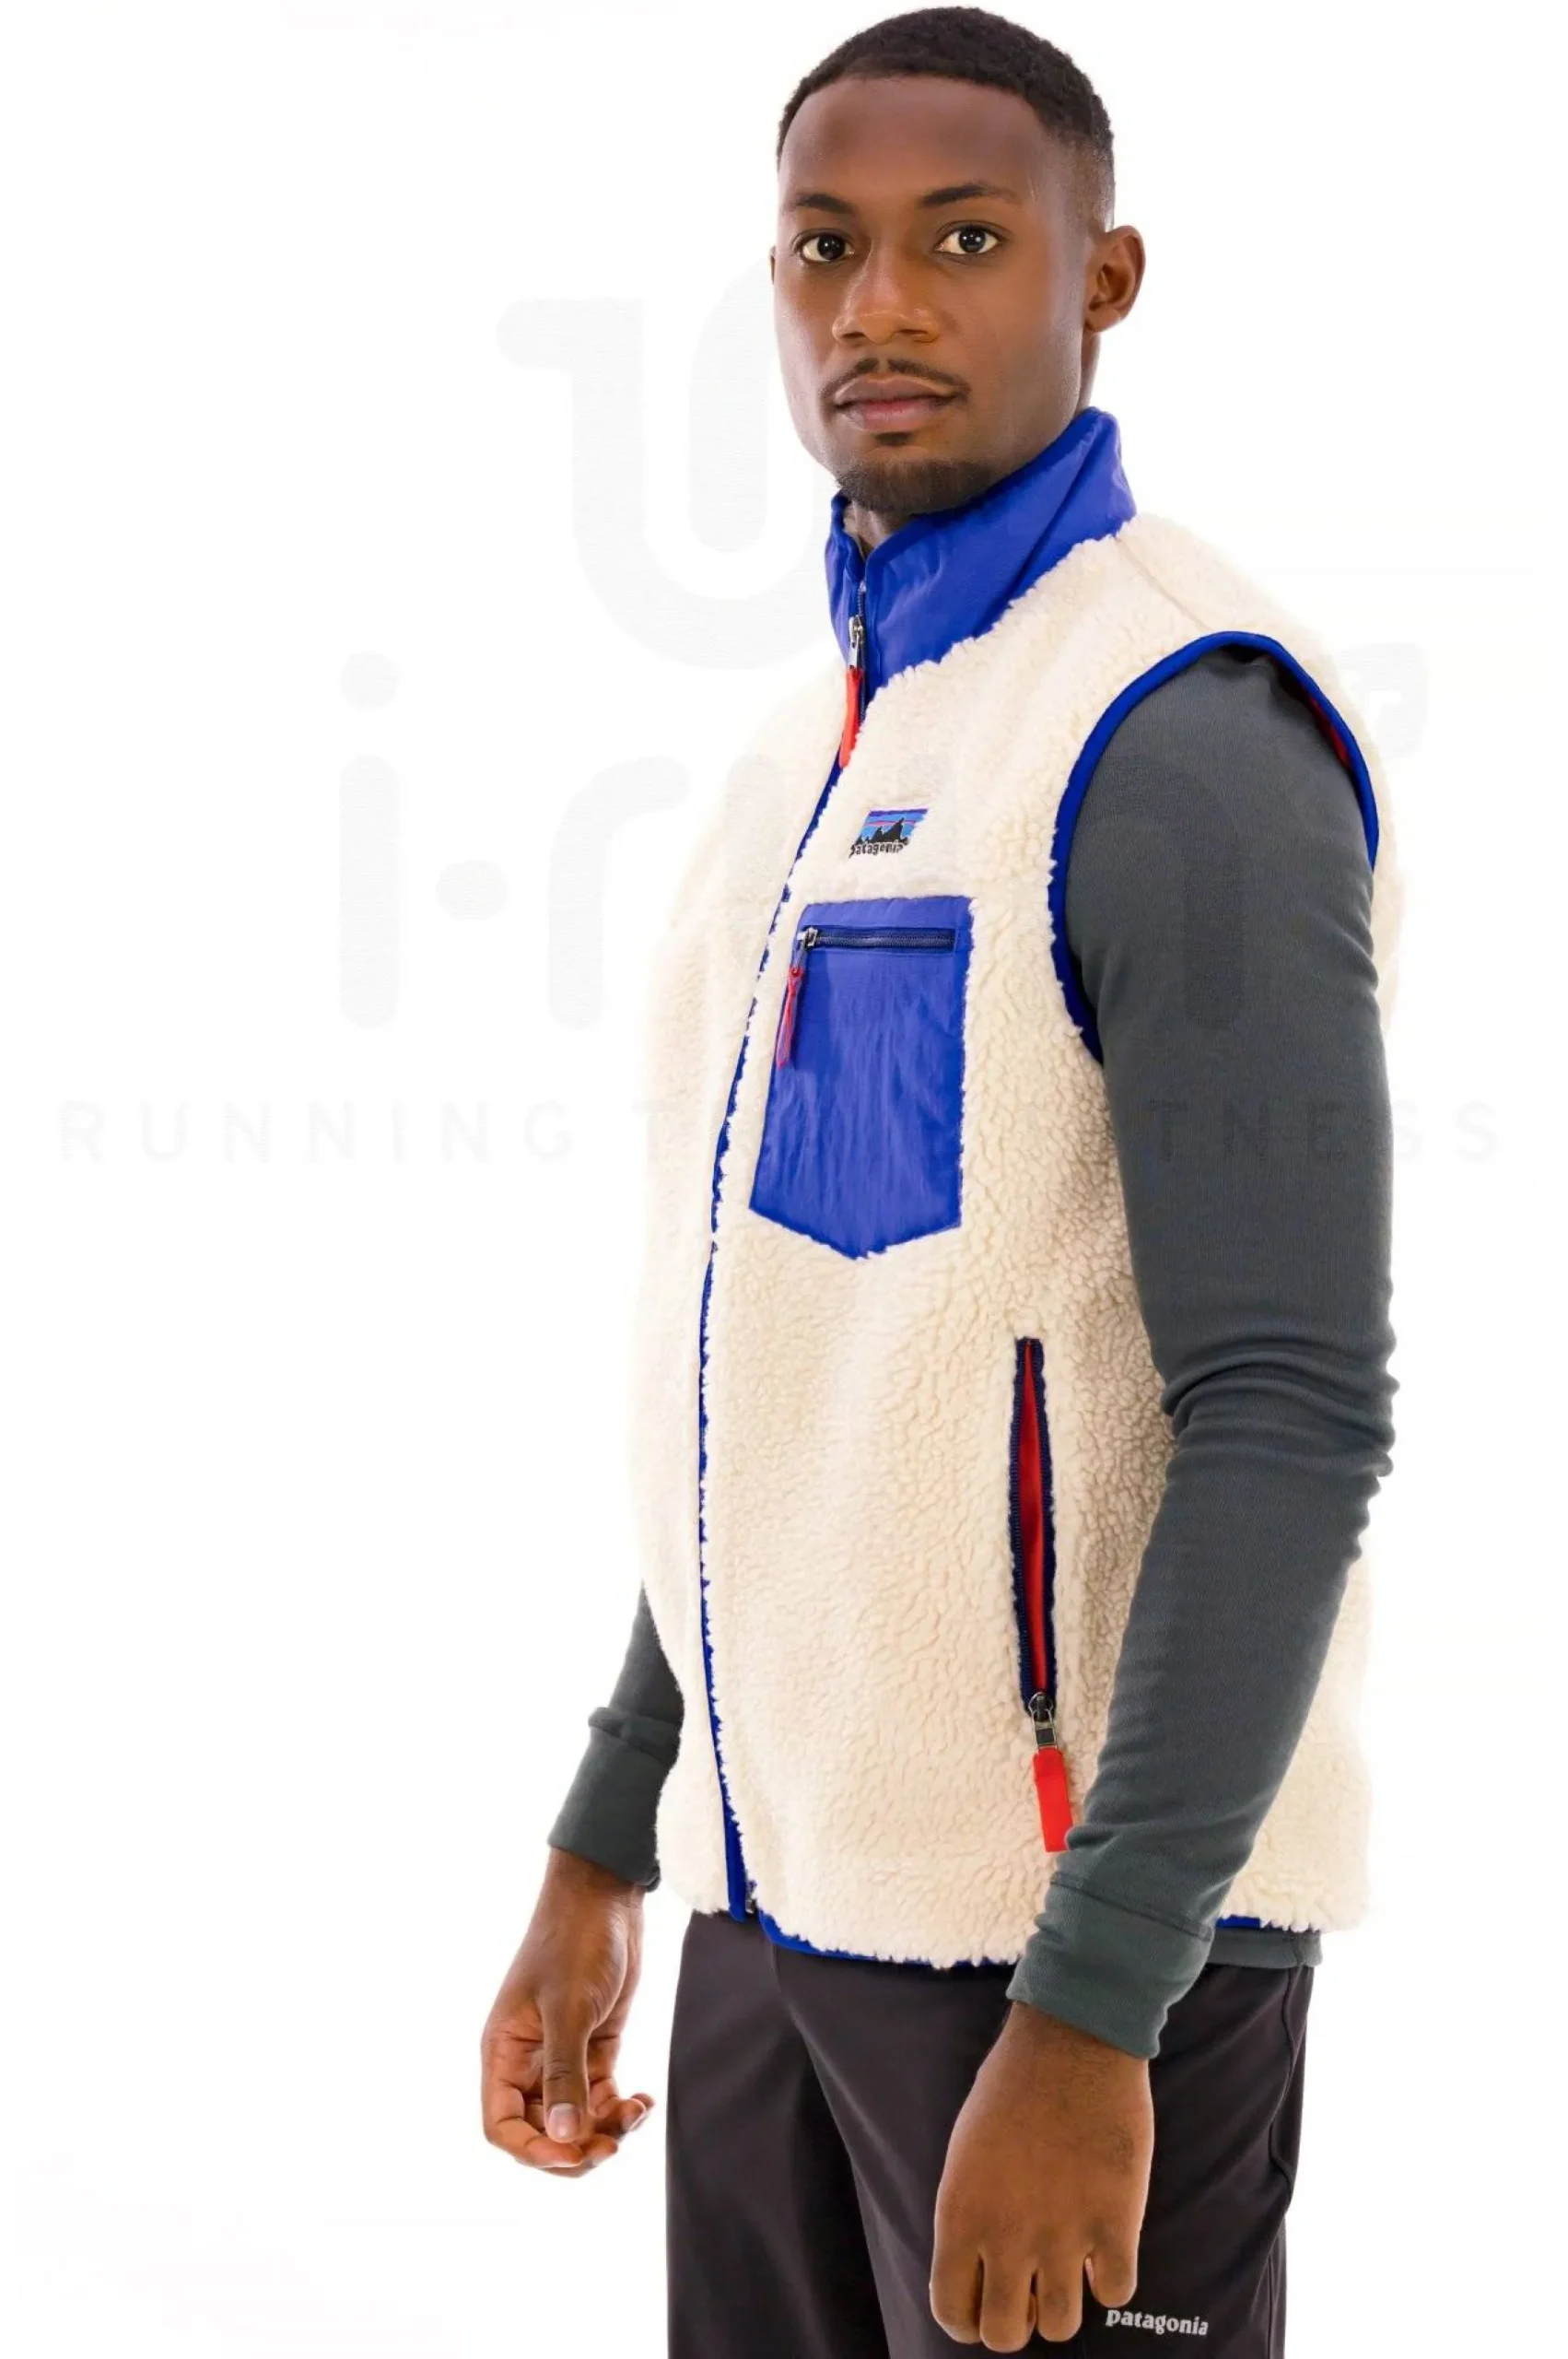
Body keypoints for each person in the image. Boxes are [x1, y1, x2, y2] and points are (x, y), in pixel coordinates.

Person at [480, 10, 1401, 2353]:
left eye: (962, 242)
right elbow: (778, 1371)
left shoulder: (1183, 733)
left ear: (1102, 279)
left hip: (1069, 1960)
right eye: (823, 247)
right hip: (781, 1907)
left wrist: (1096, 2004)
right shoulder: (805, 766)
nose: (876, 305)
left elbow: (1288, 1414)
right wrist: (614, 1820)